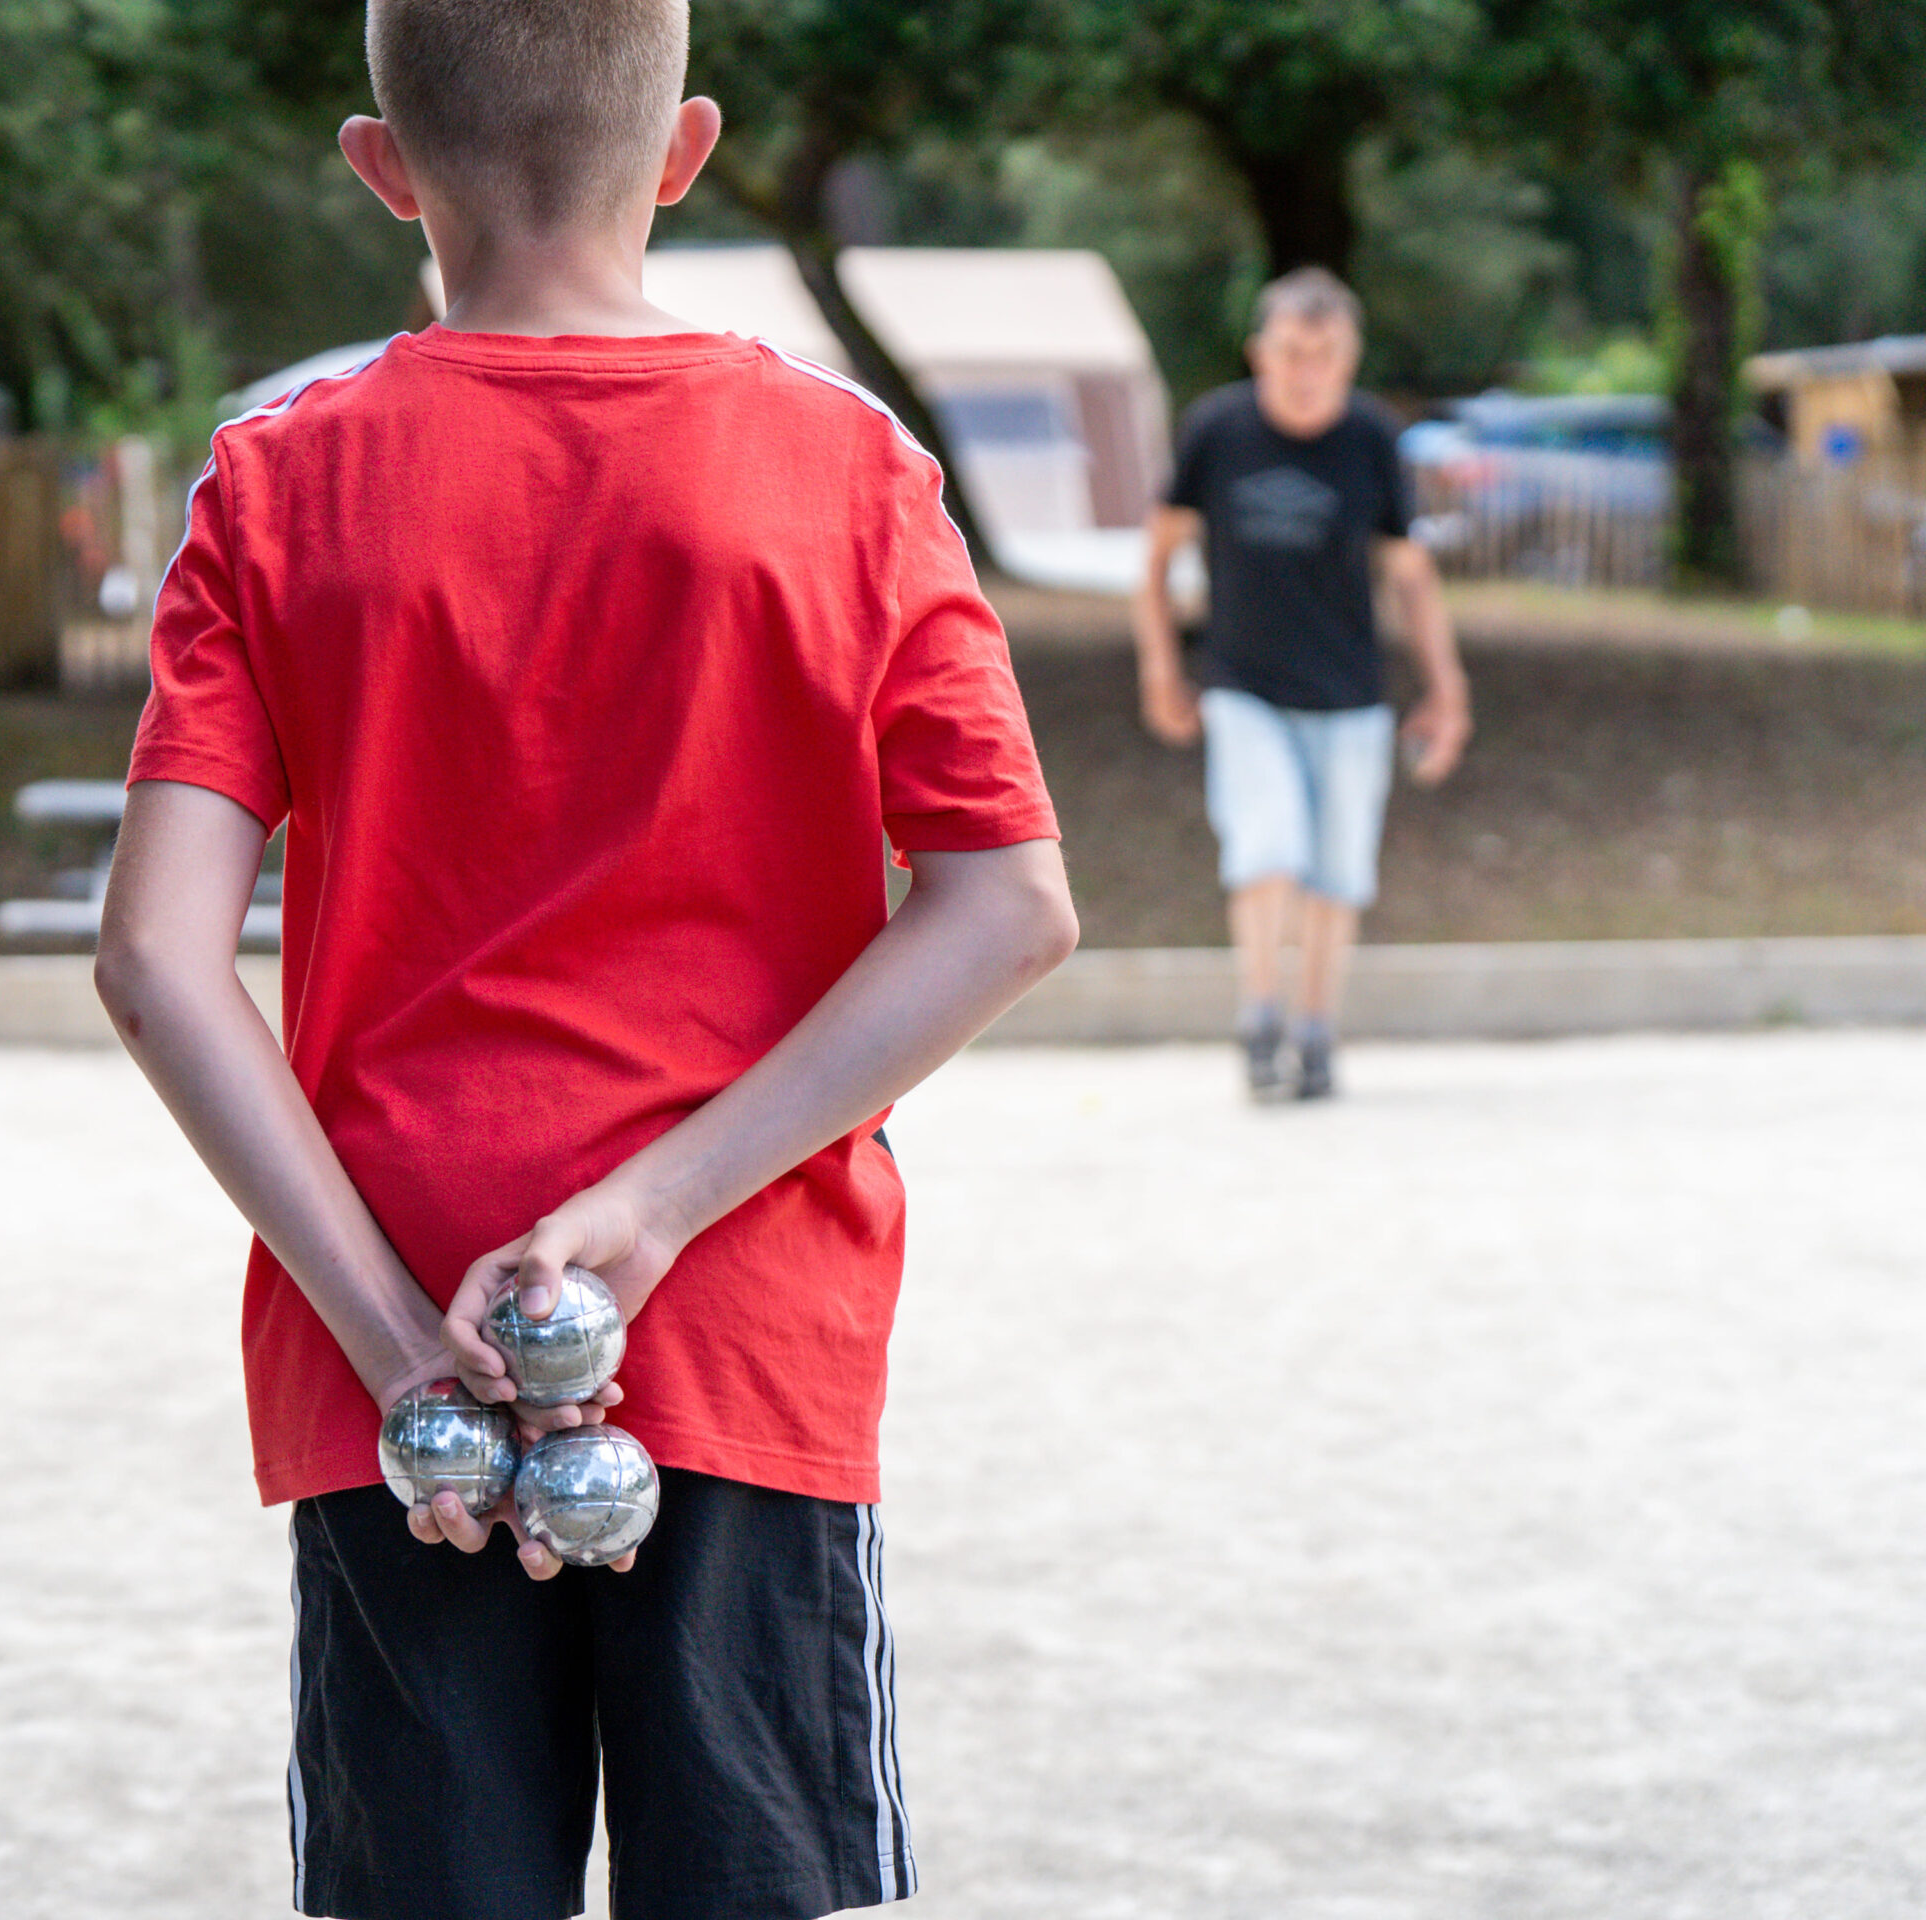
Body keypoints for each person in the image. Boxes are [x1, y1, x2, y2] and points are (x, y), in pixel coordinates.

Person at [91, 2, 1079, 1915]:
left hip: (403, 1395)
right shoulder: (846, 470)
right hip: (741, 1328)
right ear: (687, 149)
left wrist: (402, 1357)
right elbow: (1007, 902)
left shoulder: (279, 482)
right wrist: (655, 1205)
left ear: (383, 168)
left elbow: (154, 956)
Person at [1132, 267, 1470, 1101]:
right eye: (1289, 351)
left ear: (1349, 358)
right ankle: (1259, 1017)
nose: (1306, 369)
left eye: (1325, 353)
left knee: (1335, 872)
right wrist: (1162, 667)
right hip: (1244, 685)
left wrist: (1446, 690)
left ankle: (1316, 1029)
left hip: (1350, 694)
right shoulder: (1218, 430)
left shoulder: (1369, 439)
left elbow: (1410, 574)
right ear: (1260, 353)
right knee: (1267, 845)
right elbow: (1157, 559)